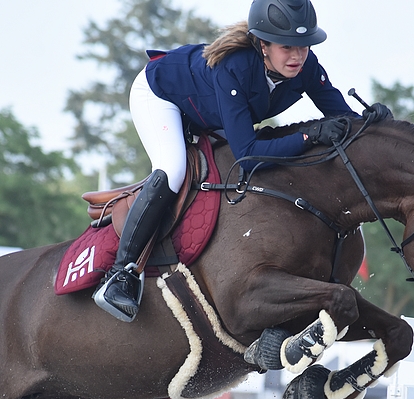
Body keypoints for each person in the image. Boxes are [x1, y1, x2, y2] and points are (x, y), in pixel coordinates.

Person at [94, 0, 392, 322]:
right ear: (263, 44)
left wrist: (372, 122)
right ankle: (122, 274)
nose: (297, 56)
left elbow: (341, 118)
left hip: (210, 111)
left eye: (304, 46)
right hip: (161, 95)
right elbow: (248, 157)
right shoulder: (234, 67)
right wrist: (309, 137)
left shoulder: (306, 67)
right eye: (287, 47)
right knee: (174, 169)